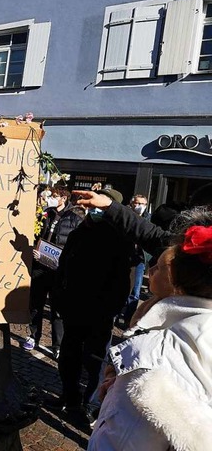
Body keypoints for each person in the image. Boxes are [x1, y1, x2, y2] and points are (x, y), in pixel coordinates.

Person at [88, 210, 212, 451]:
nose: (149, 271)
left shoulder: (151, 357)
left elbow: (116, 443)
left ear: (177, 282)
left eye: (158, 267)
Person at [51, 188, 136, 422]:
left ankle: (92, 404)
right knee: (69, 356)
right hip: (73, 307)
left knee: (95, 360)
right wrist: (59, 295)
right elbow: (64, 265)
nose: (94, 211)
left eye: (101, 208)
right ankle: (69, 397)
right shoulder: (80, 231)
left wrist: (109, 309)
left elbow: (124, 281)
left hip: (100, 312)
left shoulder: (121, 238)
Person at [22, 186, 84, 357]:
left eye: (54, 196)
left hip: (59, 270)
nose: (51, 198)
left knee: (57, 310)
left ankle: (58, 344)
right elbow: (35, 234)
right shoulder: (45, 214)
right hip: (40, 267)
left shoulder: (75, 217)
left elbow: (77, 245)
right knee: (36, 305)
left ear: (63, 198)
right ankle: (33, 335)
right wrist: (34, 248)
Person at [119, 194, 149, 328]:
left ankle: (128, 319)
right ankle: (115, 313)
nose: (139, 206)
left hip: (138, 260)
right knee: (120, 288)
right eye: (137, 203)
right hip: (124, 257)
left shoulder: (148, 220)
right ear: (131, 204)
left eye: (142, 204)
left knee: (135, 291)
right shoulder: (125, 217)